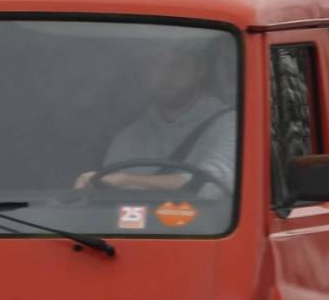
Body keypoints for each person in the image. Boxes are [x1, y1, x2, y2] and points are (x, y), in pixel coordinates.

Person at [75, 40, 235, 194]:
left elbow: (215, 184)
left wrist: (126, 180)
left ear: (200, 70)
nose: (166, 74)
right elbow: (107, 201)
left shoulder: (230, 124)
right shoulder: (127, 137)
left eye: (178, 64)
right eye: (157, 64)